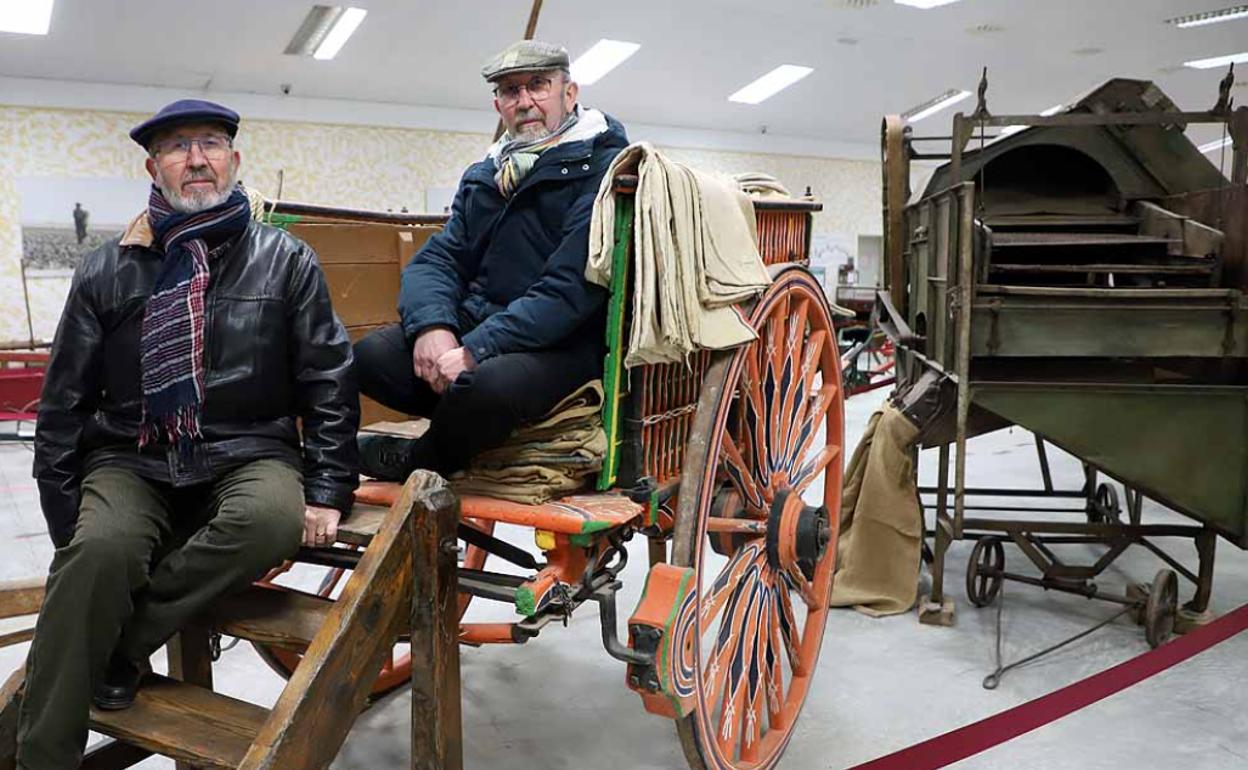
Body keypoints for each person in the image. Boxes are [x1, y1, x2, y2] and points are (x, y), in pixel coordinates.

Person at [20, 99, 359, 769]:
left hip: (248, 447)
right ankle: (41, 758)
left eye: (210, 144)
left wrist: (327, 486)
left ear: (234, 159)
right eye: (178, 147)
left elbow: (328, 376)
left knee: (268, 520)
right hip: (132, 451)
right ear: (154, 166)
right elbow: (63, 405)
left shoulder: (286, 259)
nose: (196, 158)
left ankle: (120, 645)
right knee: (98, 554)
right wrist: (71, 524)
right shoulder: (105, 268)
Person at [354, 40, 628, 480]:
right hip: (479, 327)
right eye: (510, 91)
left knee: (487, 387)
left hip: (559, 345)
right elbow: (439, 260)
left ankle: (421, 460)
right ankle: (471, 427)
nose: (524, 101)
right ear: (498, 104)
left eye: (538, 85)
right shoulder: (486, 173)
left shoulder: (603, 169)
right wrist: (433, 328)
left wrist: (476, 350)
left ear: (569, 93)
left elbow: (569, 290)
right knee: (368, 356)